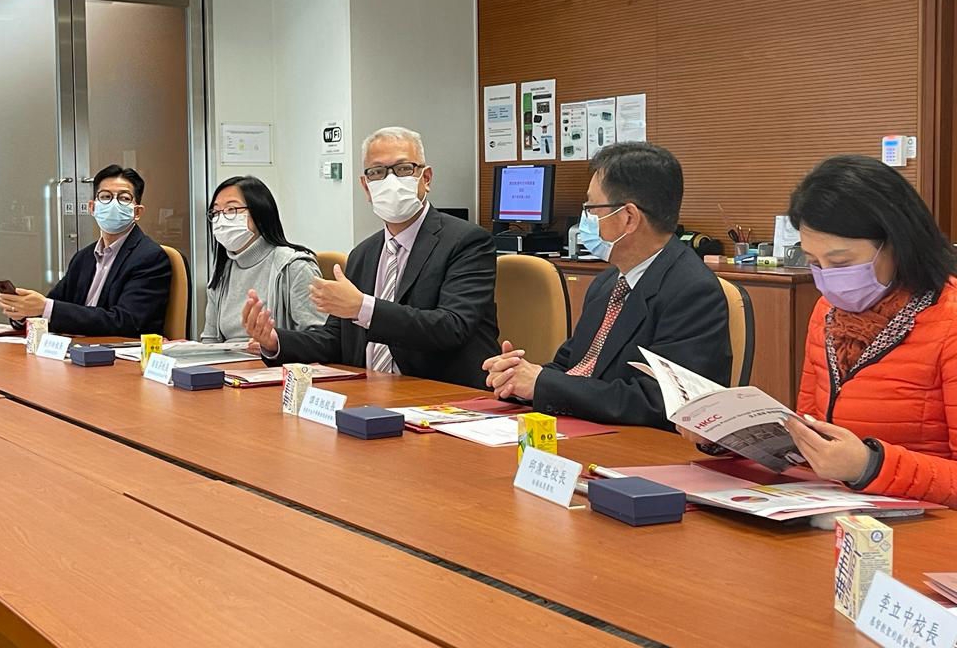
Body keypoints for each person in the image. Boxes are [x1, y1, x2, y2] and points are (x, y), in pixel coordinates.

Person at [482, 143, 731, 428]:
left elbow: (662, 401)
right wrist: (517, 378)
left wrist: (542, 384)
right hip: (584, 428)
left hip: (638, 444)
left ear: (628, 218)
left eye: (590, 208)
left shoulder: (692, 291)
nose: (584, 218)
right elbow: (571, 366)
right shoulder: (608, 283)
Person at [242, 126, 500, 388]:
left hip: (440, 393)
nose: (390, 181)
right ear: (366, 187)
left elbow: (451, 327)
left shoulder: (467, 241)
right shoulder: (363, 253)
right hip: (369, 391)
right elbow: (336, 340)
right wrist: (275, 341)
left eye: (403, 169)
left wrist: (363, 308)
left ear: (426, 178)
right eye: (377, 172)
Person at [779, 155, 957, 507]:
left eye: (841, 262)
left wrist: (870, 466)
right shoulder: (827, 313)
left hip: (926, 525)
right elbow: (811, 433)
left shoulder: (948, 319)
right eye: (814, 263)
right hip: (837, 512)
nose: (828, 278)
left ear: (896, 242)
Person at [0, 164, 171, 337]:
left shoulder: (150, 258)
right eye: (105, 197)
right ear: (92, 207)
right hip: (76, 348)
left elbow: (126, 322)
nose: (113, 204)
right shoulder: (84, 257)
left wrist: (45, 307)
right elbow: (56, 306)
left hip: (117, 351)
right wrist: (24, 313)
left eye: (124, 198)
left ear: (137, 212)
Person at [203, 176, 324, 342]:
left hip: (277, 358)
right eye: (216, 212)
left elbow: (320, 339)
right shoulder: (223, 271)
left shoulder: (294, 267)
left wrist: (276, 345)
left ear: (259, 213)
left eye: (231, 209)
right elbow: (209, 340)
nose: (222, 219)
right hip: (227, 358)